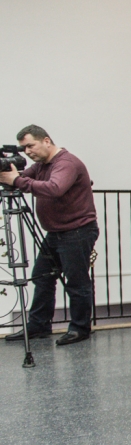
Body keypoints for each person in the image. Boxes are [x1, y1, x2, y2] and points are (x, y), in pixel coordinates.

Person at [0, 125, 98, 346]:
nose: (27, 152)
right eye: (24, 148)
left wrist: (15, 180)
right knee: (42, 277)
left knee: (77, 282)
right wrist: (9, 174)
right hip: (56, 232)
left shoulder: (66, 163)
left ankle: (80, 328)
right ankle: (39, 325)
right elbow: (23, 178)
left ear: (46, 141)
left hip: (77, 231)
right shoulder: (41, 165)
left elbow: (54, 188)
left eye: (30, 146)